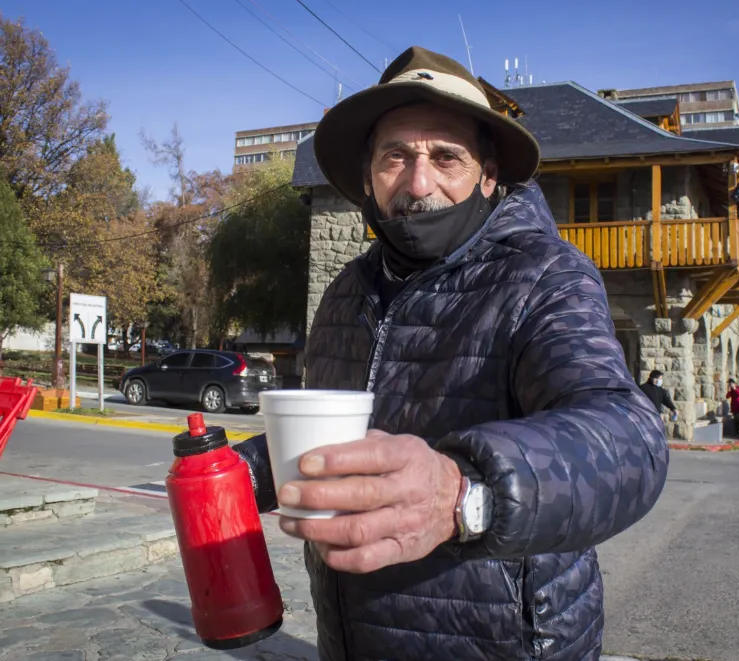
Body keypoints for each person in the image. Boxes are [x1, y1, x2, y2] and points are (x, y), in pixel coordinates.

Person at [233, 46, 669, 661]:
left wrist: (464, 496)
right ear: (367, 176)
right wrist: (246, 470)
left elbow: (629, 440)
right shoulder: (343, 295)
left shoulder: (545, 277)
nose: (418, 183)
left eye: (446, 158)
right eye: (396, 157)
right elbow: (331, 439)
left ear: (488, 176)